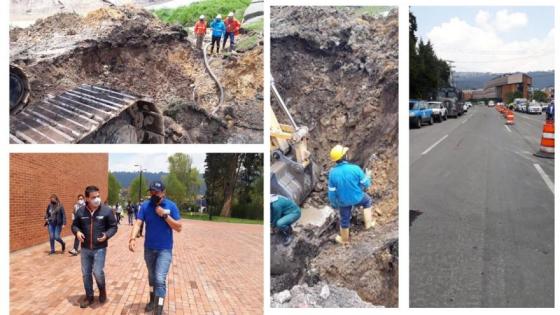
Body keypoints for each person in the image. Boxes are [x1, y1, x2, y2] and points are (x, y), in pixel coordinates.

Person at [129, 181, 182, 315]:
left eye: (156, 192)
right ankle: (152, 300)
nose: (153, 194)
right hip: (149, 249)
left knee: (159, 278)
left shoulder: (171, 206)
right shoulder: (146, 206)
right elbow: (138, 223)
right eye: (151, 192)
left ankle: (158, 309)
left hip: (164, 250)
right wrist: (132, 238)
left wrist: (164, 215)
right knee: (152, 278)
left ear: (163, 192)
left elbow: (179, 227)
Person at [72, 186, 118, 308]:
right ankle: (89, 296)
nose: (97, 199)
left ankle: (102, 291)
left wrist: (107, 235)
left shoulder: (106, 210)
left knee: (97, 272)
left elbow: (114, 227)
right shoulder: (80, 211)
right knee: (86, 273)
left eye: (98, 196)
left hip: (100, 248)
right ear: (87, 198)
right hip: (85, 249)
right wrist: (77, 232)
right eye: (93, 197)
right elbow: (74, 226)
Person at [327, 145, 375, 245]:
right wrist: (368, 176)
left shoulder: (332, 174)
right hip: (358, 198)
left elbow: (331, 194)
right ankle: (369, 225)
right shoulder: (355, 169)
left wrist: (335, 204)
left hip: (343, 202)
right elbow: (366, 184)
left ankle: (344, 240)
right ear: (345, 156)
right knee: (367, 201)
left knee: (344, 219)